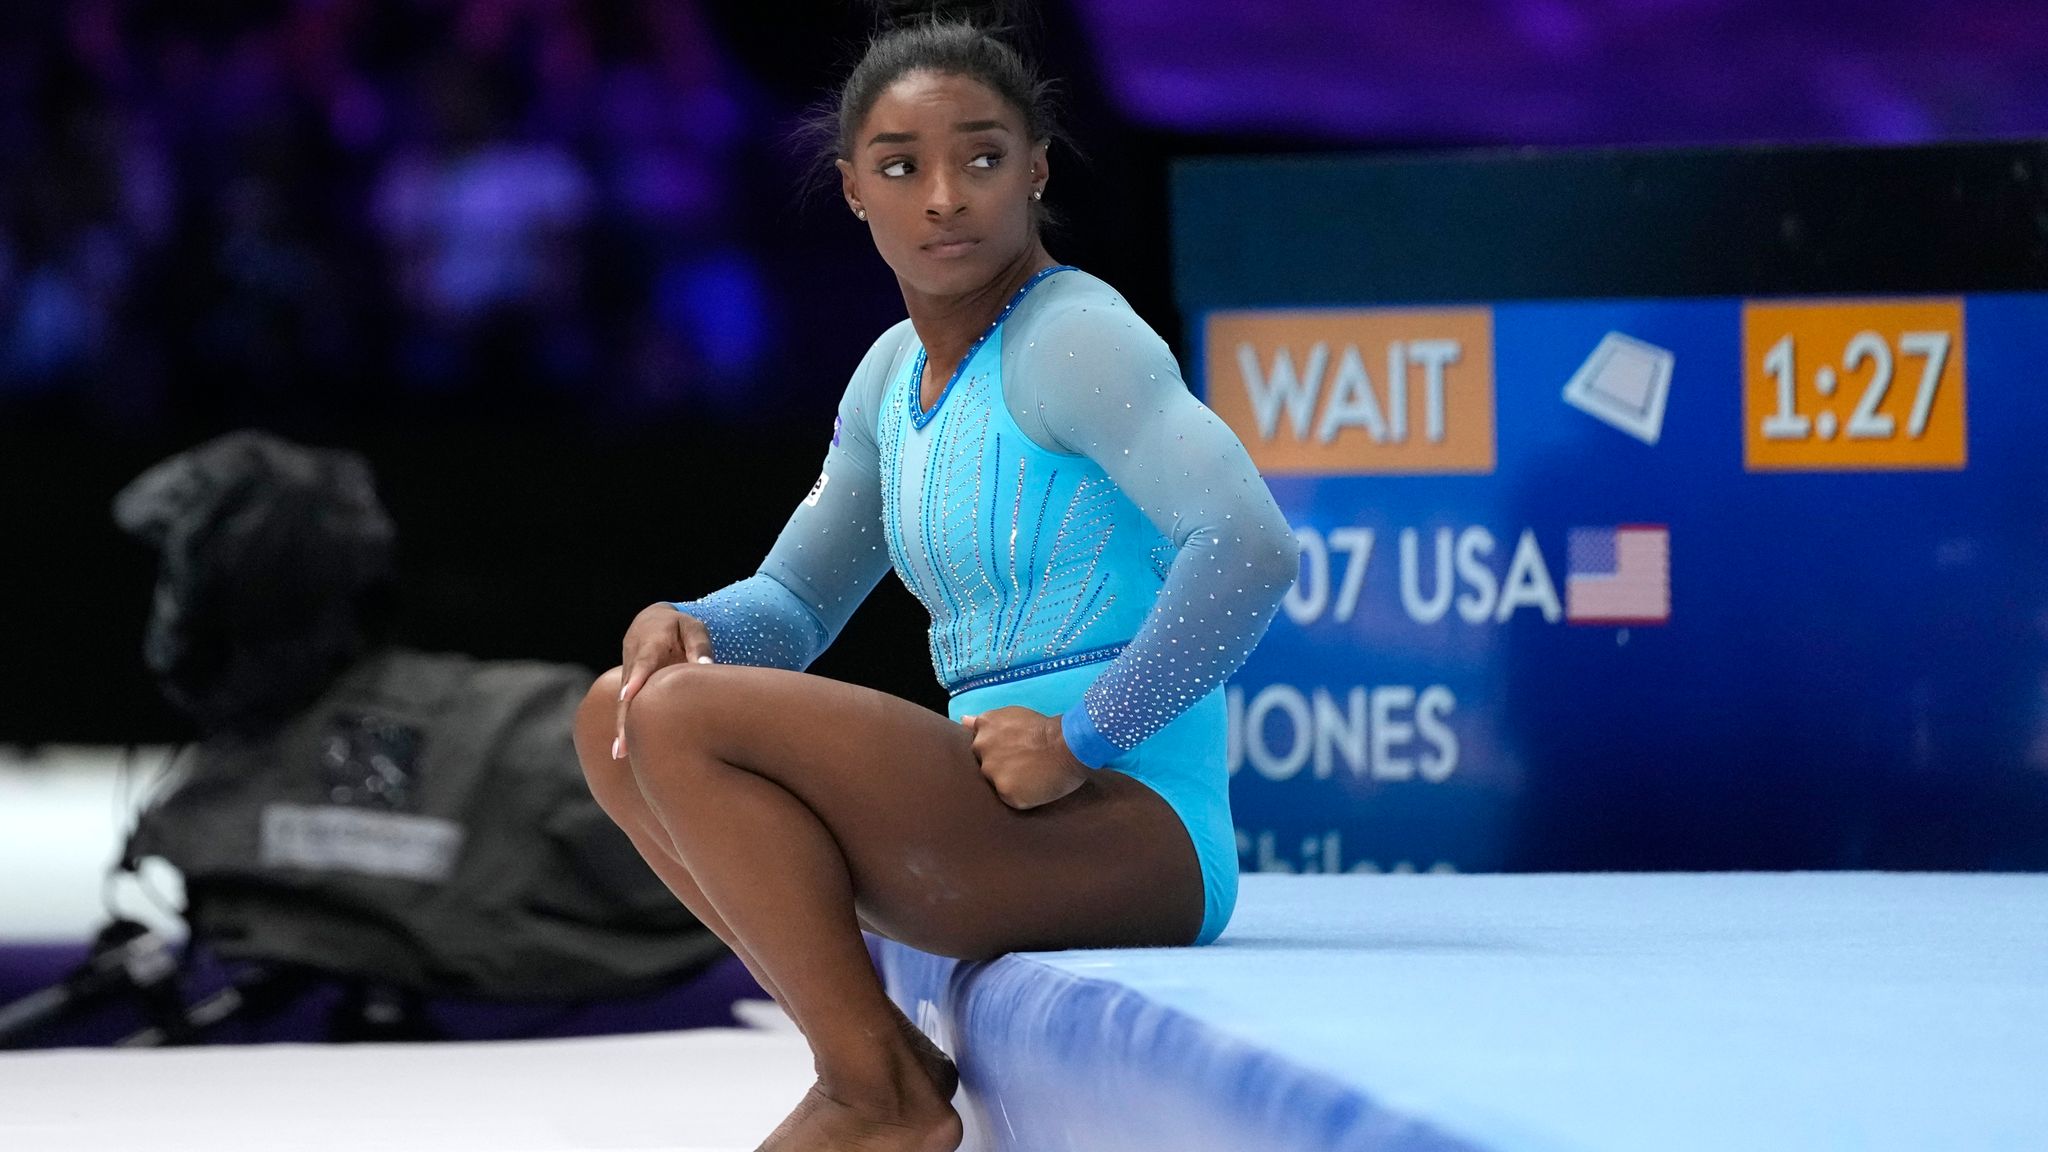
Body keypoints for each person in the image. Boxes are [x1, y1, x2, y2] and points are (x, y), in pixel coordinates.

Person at [573, 13, 1298, 1151]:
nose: (945, 198)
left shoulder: (1075, 339)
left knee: (678, 719)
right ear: (854, 188)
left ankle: (873, 1098)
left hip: (1131, 831)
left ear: (1036, 170)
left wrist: (1084, 741)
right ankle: (877, 1066)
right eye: (904, 168)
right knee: (618, 710)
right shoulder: (887, 375)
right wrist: (691, 622)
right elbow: (798, 608)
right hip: (983, 818)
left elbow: (1251, 548)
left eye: (980, 158)